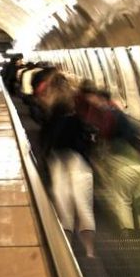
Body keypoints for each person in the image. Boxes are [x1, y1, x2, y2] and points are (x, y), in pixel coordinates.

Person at [41, 74, 97, 258]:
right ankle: (90, 252)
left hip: (58, 162)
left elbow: (46, 142)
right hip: (79, 162)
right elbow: (86, 137)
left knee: (64, 211)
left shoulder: (51, 116)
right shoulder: (76, 114)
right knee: (84, 208)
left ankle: (67, 254)